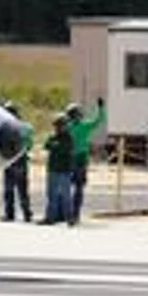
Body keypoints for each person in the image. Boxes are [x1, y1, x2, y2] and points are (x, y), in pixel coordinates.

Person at [60, 97, 106, 226]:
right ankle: (75, 215)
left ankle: (69, 215)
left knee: (68, 187)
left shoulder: (68, 127)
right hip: (80, 159)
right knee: (78, 188)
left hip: (72, 158)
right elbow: (98, 121)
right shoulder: (83, 126)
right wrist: (101, 108)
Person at [41, 105, 76, 224]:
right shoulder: (53, 137)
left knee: (66, 197)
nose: (58, 127)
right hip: (52, 170)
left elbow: (63, 149)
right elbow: (46, 145)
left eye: (60, 125)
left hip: (64, 171)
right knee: (51, 196)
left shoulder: (68, 138)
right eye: (56, 125)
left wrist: (55, 145)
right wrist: (55, 145)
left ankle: (70, 218)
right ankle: (50, 218)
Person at [0, 107, 34, 223]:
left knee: (14, 190)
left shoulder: (10, 127)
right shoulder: (25, 126)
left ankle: (13, 214)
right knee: (19, 190)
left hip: (13, 160)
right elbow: (29, 145)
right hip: (16, 161)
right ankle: (24, 214)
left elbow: (28, 145)